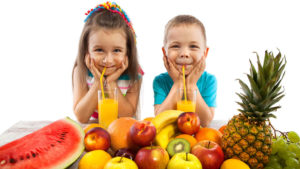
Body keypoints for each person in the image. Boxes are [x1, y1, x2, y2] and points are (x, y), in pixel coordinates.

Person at [72, 2, 143, 123]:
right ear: (86, 49)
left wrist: (110, 82)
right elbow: (82, 117)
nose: (108, 60)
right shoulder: (81, 72)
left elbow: (126, 114)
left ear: (128, 52)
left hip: (123, 132)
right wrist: (98, 84)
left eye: (116, 50)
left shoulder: (134, 74)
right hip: (96, 133)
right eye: (99, 50)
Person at [153, 15, 217, 127]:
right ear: (165, 52)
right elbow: (160, 120)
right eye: (176, 46)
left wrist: (191, 85)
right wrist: (178, 84)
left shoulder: (209, 80)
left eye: (193, 46)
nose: (184, 53)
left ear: (205, 53)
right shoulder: (160, 81)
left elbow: (205, 122)